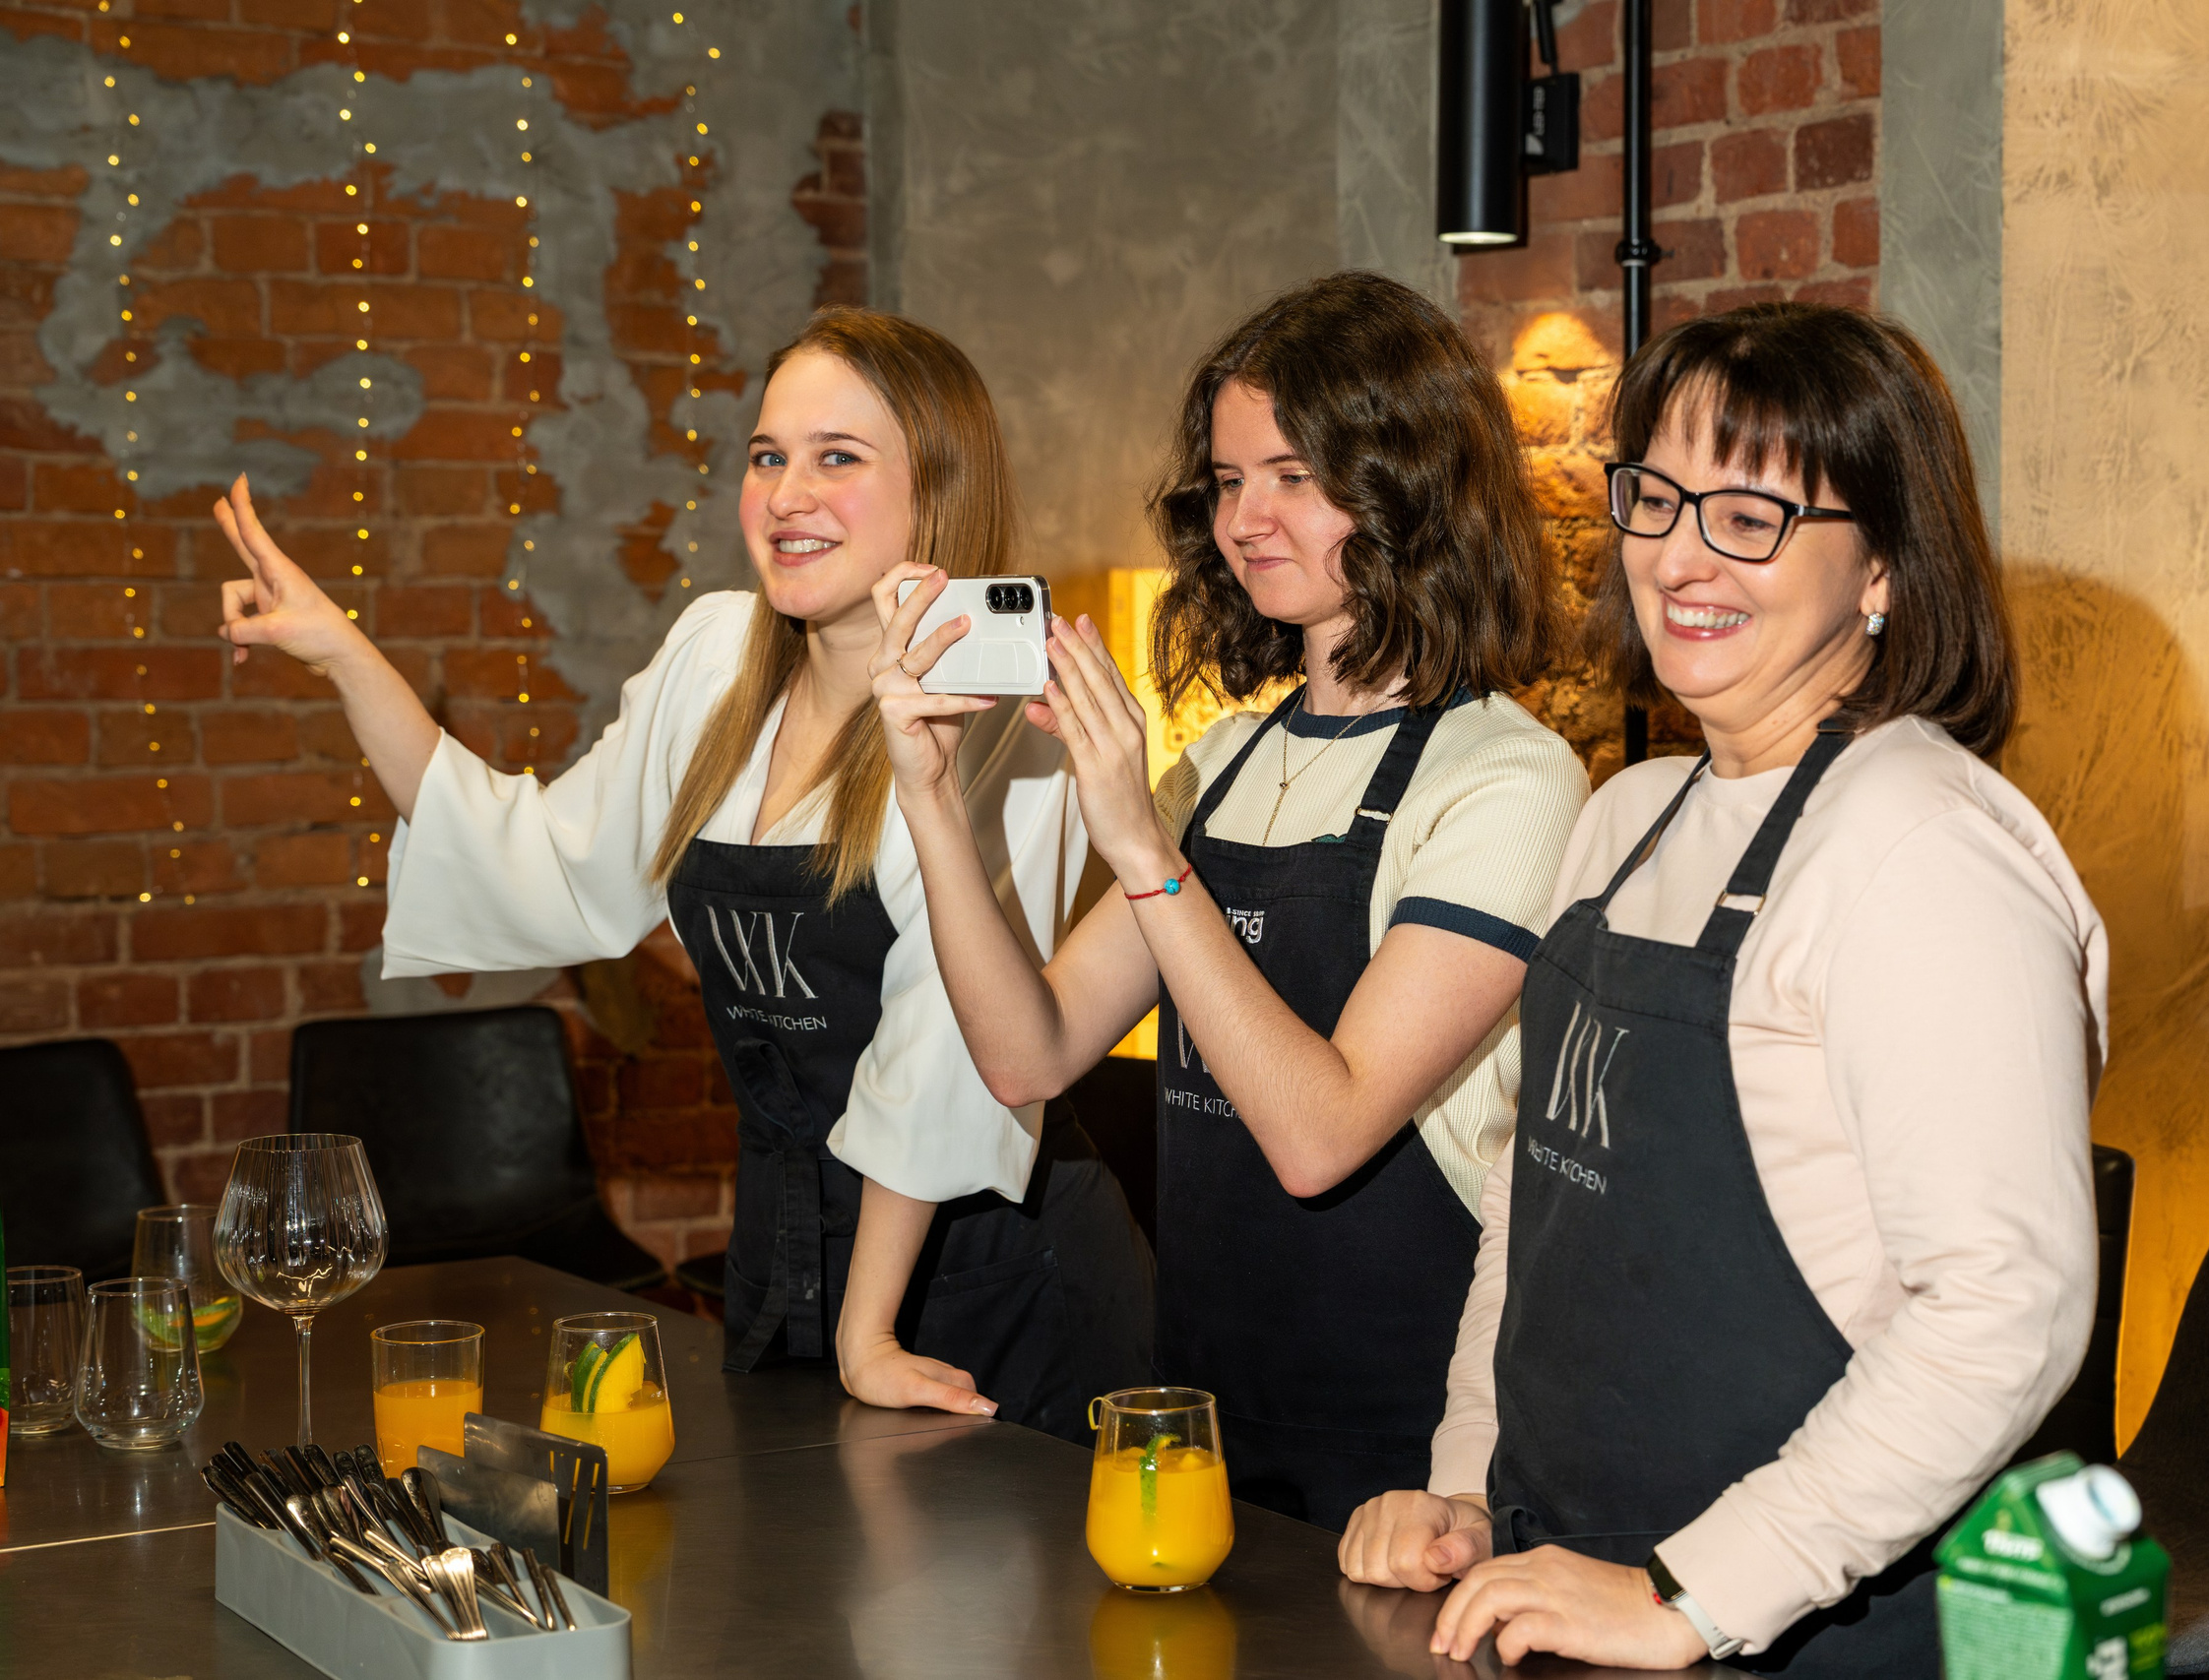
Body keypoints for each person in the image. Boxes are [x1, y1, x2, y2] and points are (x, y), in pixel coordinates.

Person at [213, 306, 1150, 1441]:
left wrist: (865, 1336)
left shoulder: (1008, 720)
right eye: (768, 456)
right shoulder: (715, 657)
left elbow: (945, 1048)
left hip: (983, 1285)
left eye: (837, 458)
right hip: (787, 1263)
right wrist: (341, 654)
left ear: (937, 490)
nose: (786, 494)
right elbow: (536, 853)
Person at [1338, 301, 2109, 1675]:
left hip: (1813, 1626)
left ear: (1880, 567)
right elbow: (1535, 1202)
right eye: (1658, 495)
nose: (1681, 555)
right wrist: (1466, 1484)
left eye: (1752, 513)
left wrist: (1692, 1591)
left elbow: (2010, 1303)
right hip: (1564, 1578)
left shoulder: (1922, 850)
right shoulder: (1625, 810)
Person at [872, 271, 1590, 1531]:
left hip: (1408, 1459)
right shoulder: (1227, 757)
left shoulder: (1509, 777)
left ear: (1408, 484)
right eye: (1226, 479)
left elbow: (1321, 1135)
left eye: (1294, 477)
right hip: (1201, 1415)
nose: (1245, 518)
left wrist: (1145, 846)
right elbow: (1023, 1053)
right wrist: (929, 798)